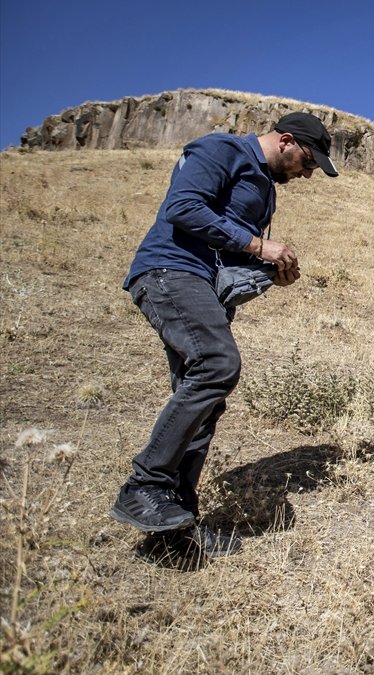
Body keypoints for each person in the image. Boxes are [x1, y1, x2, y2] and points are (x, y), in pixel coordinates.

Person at [111, 112, 339, 560]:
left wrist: (272, 272)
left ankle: (176, 532)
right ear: (287, 141)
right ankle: (143, 486)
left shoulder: (265, 188)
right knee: (218, 365)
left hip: (205, 288)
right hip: (169, 272)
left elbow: (226, 249)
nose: (308, 174)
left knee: (204, 401)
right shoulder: (222, 149)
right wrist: (259, 245)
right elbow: (183, 208)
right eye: (308, 162)